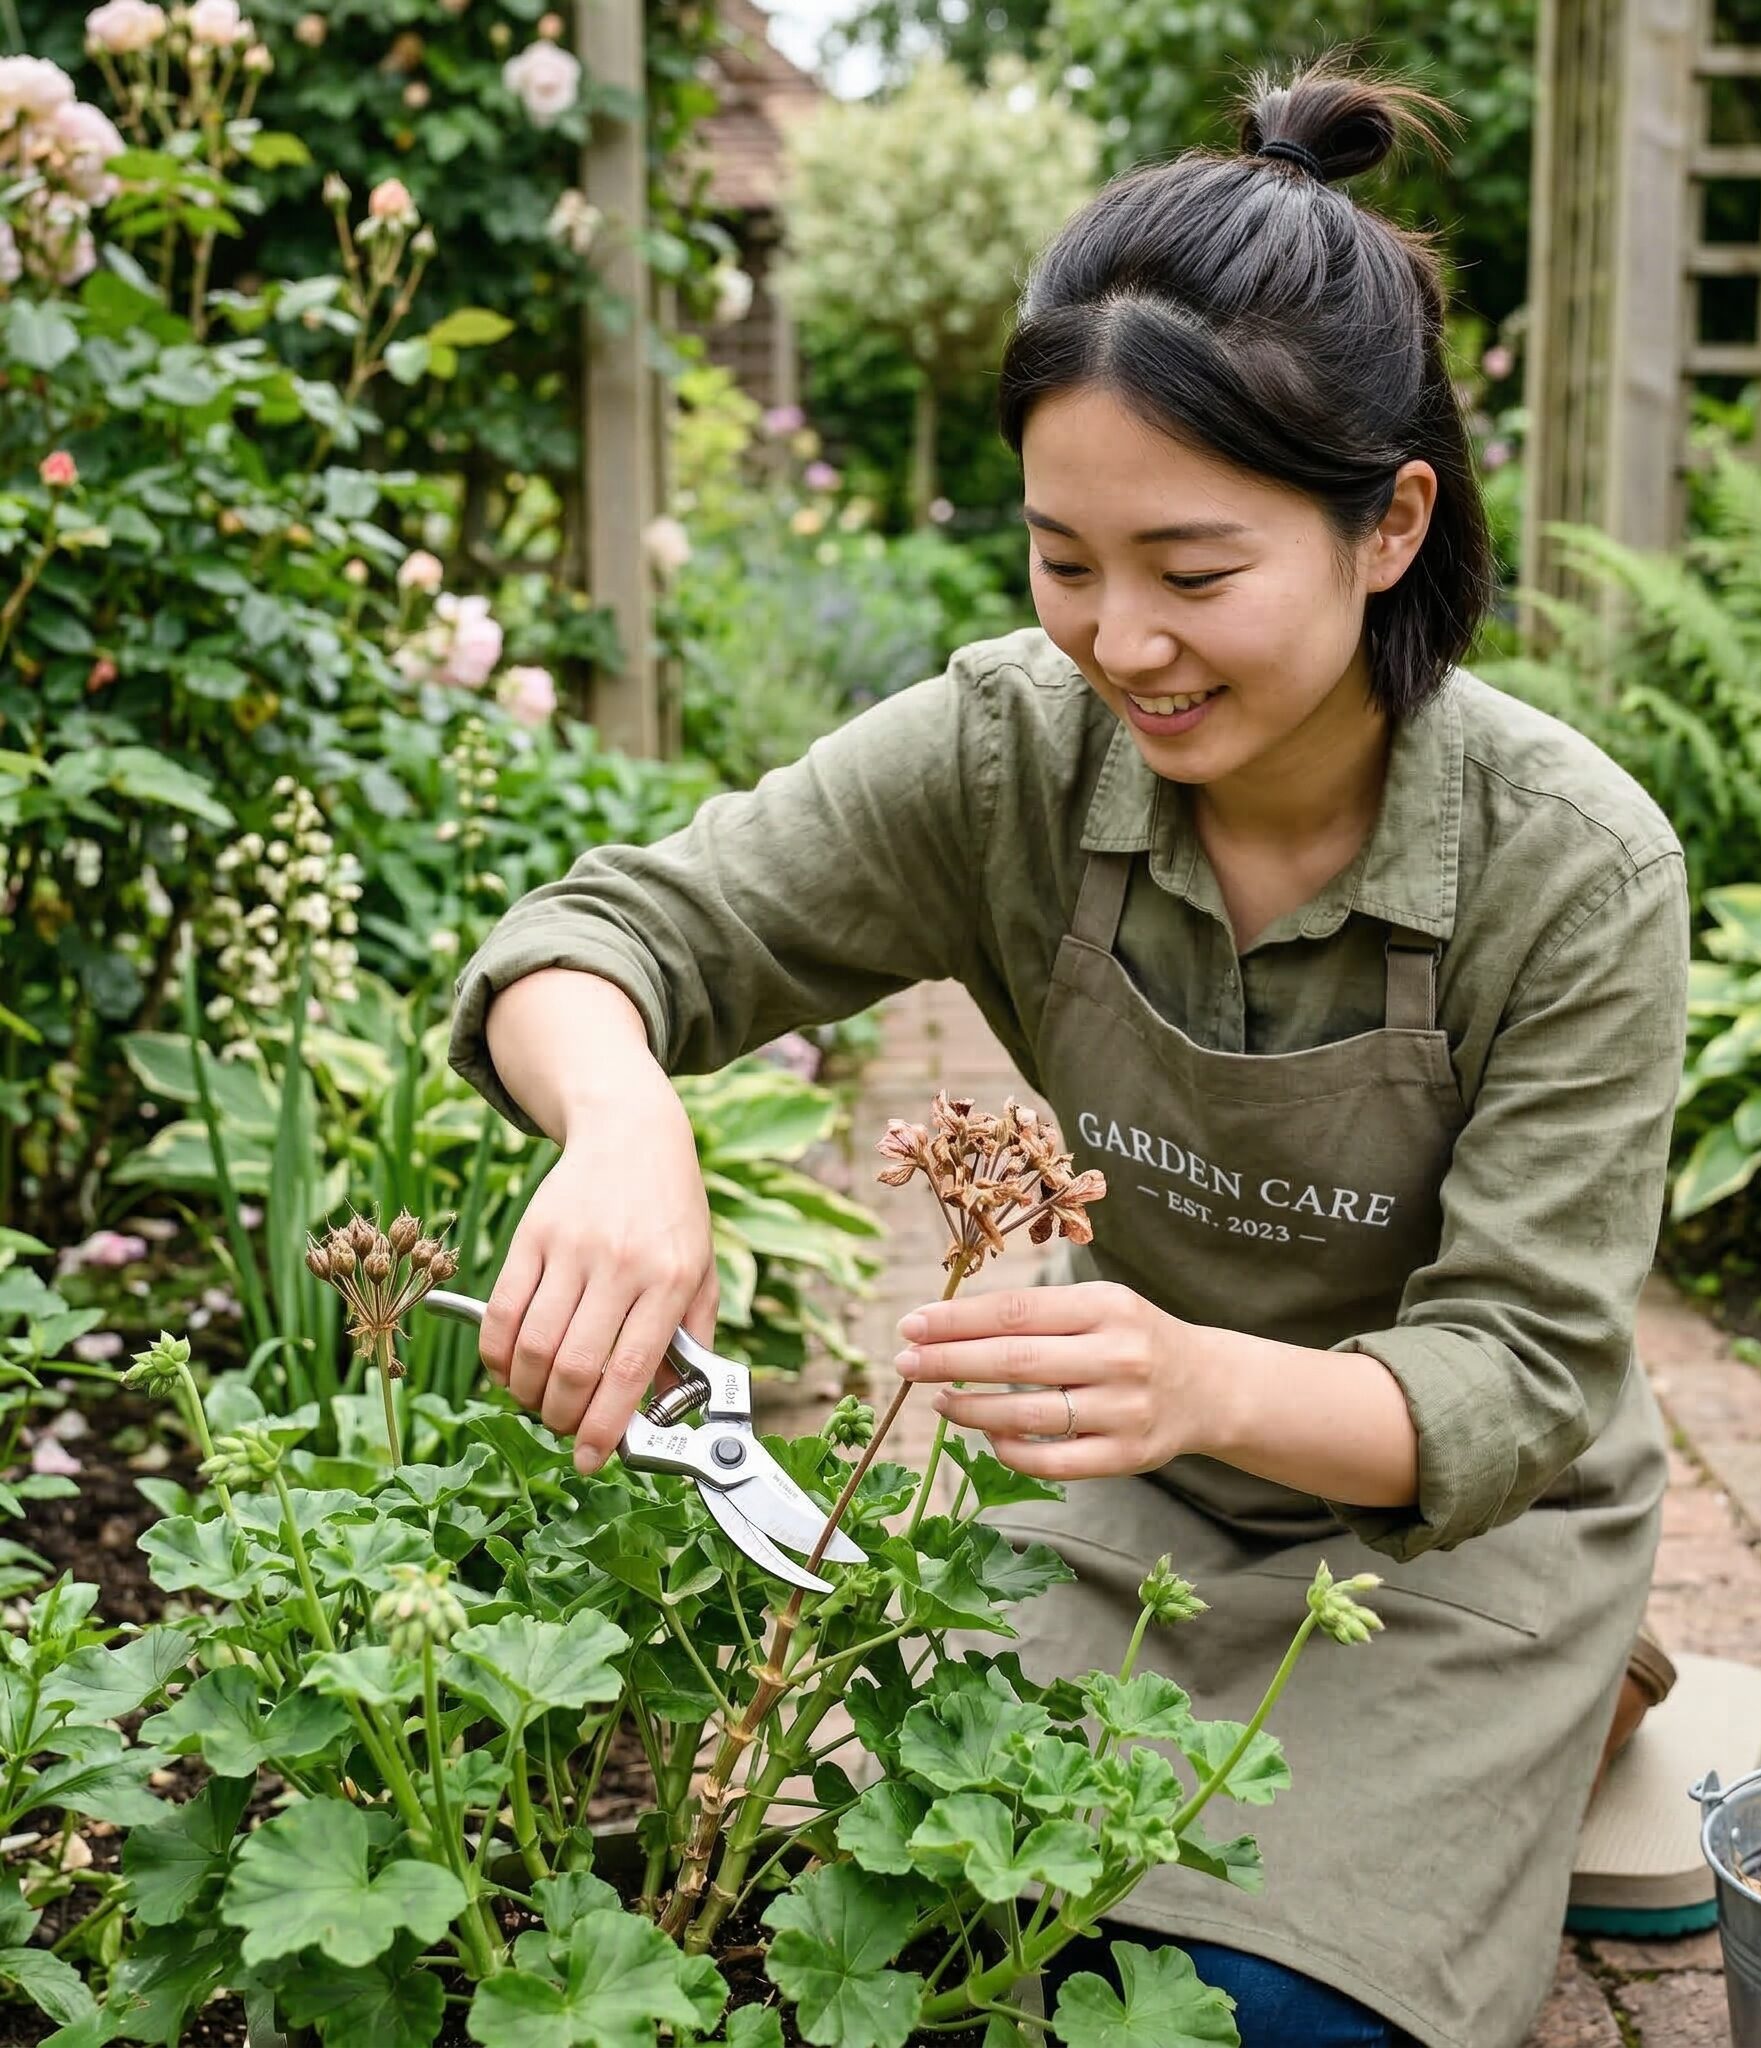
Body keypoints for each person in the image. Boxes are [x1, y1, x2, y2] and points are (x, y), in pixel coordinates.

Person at [446, 52, 1688, 2048]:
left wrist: (1194, 1367)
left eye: (1194, 572)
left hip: (1453, 1526)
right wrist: (617, 1126)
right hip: (1134, 1487)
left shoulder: (1573, 866)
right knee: (938, 1937)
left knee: (1246, 2014)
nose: (1118, 642)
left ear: (1390, 525)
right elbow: (603, 935)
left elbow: (1522, 1375)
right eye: (1063, 560)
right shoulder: (1014, 746)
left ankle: (1575, 1676)